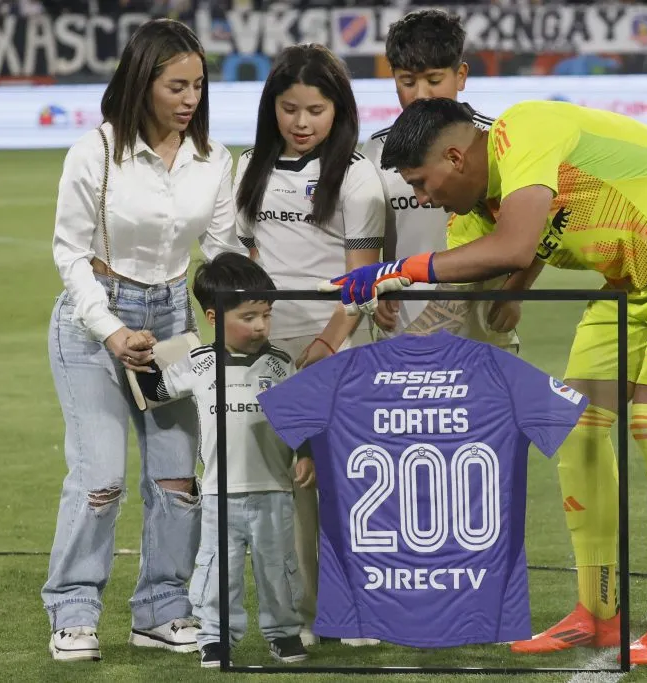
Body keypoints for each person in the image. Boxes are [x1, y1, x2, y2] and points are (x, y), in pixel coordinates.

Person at [323, 98, 647, 665]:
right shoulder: (474, 217)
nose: (425, 199)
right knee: (577, 428)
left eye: (423, 183)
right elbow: (459, 304)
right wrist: (382, 362)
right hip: (631, 278)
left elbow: (515, 248)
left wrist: (397, 269)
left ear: (456, 156)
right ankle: (598, 611)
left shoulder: (522, 129)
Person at [43, 18, 244, 662]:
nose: (190, 99)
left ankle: (161, 609)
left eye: (198, 87)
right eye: (177, 86)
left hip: (171, 327)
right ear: (142, 82)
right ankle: (73, 612)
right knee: (99, 478)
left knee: (178, 478)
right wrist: (109, 329)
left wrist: (245, 298)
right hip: (93, 321)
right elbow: (70, 254)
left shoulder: (215, 160)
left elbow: (220, 249)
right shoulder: (94, 153)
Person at [233, 43, 384, 647]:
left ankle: (357, 612)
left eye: (315, 110)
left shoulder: (356, 175)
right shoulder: (249, 168)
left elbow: (363, 278)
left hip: (337, 345)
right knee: (291, 491)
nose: (300, 123)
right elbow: (246, 259)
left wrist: (327, 342)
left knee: (347, 486)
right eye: (289, 108)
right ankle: (307, 613)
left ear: (338, 110)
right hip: (271, 349)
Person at [132, 252, 314, 668]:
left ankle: (284, 633)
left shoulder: (280, 363)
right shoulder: (199, 365)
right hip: (218, 494)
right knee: (216, 571)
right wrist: (137, 356)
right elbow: (156, 392)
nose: (261, 326)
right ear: (213, 317)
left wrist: (306, 454)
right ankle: (215, 637)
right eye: (248, 316)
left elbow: (300, 419)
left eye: (266, 315)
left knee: (279, 569)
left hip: (274, 491)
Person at [361, 8, 532, 349]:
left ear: (461, 75)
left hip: (483, 328)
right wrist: (379, 286)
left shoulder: (497, 140)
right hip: (403, 326)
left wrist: (516, 292)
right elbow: (375, 232)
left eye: (434, 80)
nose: (421, 94)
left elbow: (539, 227)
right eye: (407, 82)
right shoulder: (375, 150)